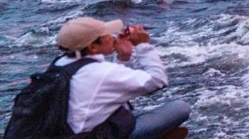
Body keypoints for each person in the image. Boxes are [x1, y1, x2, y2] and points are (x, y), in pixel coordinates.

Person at [54, 16, 190, 139]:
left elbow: (110, 87)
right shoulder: (99, 72)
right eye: (106, 35)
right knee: (180, 108)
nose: (112, 37)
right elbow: (158, 80)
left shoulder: (59, 64)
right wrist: (143, 46)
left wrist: (123, 57)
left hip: (73, 133)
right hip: (97, 135)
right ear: (93, 47)